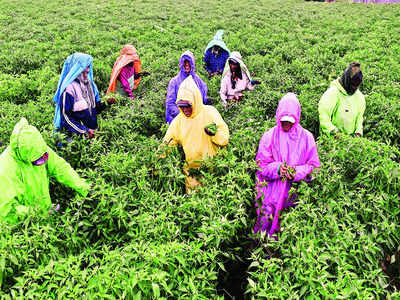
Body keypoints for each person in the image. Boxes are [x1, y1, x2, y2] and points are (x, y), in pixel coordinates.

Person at [254, 93, 320, 239]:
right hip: (271, 193)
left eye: (290, 121)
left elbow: (313, 166)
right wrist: (277, 169)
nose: (286, 124)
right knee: (265, 229)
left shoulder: (306, 137)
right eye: (283, 121)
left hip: (293, 194)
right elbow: (261, 166)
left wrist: (296, 172)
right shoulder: (269, 136)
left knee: (289, 230)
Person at [0, 118, 90, 224]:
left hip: (44, 210)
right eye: (37, 161)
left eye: (43, 158)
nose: (42, 162)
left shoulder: (38, 148)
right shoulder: (5, 169)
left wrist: (83, 187)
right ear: (25, 158)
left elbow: (60, 168)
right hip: (25, 225)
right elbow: (8, 210)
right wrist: (38, 213)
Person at [163, 75, 229, 193]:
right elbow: (167, 143)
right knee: (194, 203)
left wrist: (214, 134)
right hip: (192, 172)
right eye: (181, 107)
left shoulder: (210, 113)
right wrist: (156, 162)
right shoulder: (179, 121)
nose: (185, 110)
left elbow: (224, 139)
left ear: (195, 101)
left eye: (188, 106)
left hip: (213, 169)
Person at [53, 53, 105, 138]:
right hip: (77, 137)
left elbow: (95, 109)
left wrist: (106, 103)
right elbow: (65, 118)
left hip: (92, 134)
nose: (88, 70)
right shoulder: (69, 89)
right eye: (84, 67)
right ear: (75, 68)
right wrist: (84, 131)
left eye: (88, 66)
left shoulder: (90, 85)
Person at [318, 62, 365, 137]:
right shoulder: (332, 93)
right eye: (352, 85)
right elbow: (324, 116)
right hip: (331, 140)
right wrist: (334, 132)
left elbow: (359, 118)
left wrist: (358, 133)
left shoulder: (359, 97)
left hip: (351, 141)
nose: (353, 89)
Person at [166, 51, 210, 124]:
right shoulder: (174, 82)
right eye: (185, 62)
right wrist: (184, 116)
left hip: (195, 118)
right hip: (179, 120)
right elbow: (170, 104)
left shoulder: (197, 80)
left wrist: (206, 100)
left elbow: (202, 98)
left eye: (189, 62)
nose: (187, 65)